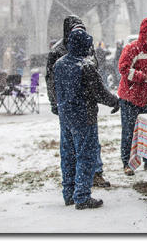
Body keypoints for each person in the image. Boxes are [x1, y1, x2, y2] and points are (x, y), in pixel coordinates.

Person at [54, 28, 119, 209]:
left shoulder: (59, 64)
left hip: (65, 116)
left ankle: (69, 194)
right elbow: (99, 91)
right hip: (84, 117)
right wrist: (115, 101)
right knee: (86, 156)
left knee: (68, 155)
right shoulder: (85, 66)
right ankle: (82, 196)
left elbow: (55, 89)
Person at [45, 15, 111, 188]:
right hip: (72, 106)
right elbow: (51, 80)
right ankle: (79, 187)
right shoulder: (58, 52)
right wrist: (54, 102)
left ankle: (90, 176)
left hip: (82, 106)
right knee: (74, 148)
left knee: (88, 145)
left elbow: (94, 72)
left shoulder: (84, 49)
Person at [117, 18, 147, 176]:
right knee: (129, 132)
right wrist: (143, 78)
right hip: (130, 98)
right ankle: (127, 163)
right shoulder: (132, 48)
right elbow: (123, 68)